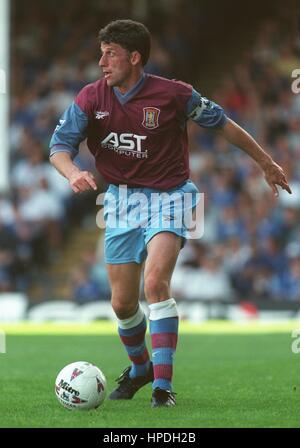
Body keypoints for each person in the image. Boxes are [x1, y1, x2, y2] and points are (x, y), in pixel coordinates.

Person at [49, 19, 292, 407]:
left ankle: (162, 387)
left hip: (171, 196)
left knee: (155, 283)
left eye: (110, 53)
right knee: (122, 304)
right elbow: (59, 146)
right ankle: (141, 368)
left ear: (134, 57)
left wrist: (265, 162)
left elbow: (225, 125)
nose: (101, 62)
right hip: (119, 200)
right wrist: (73, 171)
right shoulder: (91, 98)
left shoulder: (175, 94)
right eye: (101, 53)